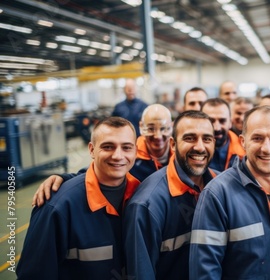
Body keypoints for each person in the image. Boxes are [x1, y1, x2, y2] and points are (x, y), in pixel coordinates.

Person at [190, 105, 270, 279]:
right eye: (257, 138)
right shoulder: (217, 195)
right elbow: (204, 270)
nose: (267, 148)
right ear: (243, 142)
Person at [17, 117, 141, 279]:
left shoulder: (141, 196)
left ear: (135, 151)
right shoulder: (57, 206)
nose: (118, 156)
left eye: (126, 147)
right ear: (91, 150)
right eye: (108, 147)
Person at [123, 110, 217, 279]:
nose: (200, 147)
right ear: (173, 144)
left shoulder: (221, 186)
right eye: (190, 138)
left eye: (207, 139)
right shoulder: (147, 204)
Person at [32, 104, 174, 206]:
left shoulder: (180, 159)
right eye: (151, 128)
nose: (158, 135)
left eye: (163, 129)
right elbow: (96, 172)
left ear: (171, 128)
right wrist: (64, 179)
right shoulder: (130, 157)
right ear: (142, 127)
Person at [201, 98, 245, 171]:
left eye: (222, 121)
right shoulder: (189, 154)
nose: (217, 128)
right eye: (211, 121)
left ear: (230, 122)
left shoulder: (245, 153)